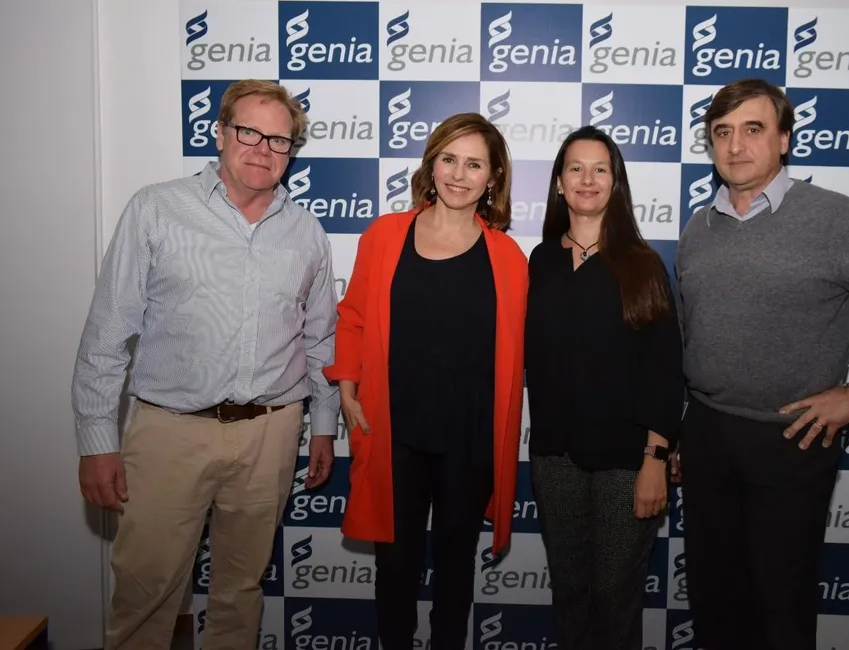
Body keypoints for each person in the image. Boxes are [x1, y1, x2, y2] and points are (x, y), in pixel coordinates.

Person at [674, 77, 849, 650]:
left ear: (784, 140)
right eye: (722, 132)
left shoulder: (835, 219)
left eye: (753, 129)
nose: (735, 146)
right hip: (707, 433)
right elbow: (689, 335)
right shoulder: (699, 227)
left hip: (791, 440)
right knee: (713, 594)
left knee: (780, 600)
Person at [71, 79, 338, 650]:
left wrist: (322, 425)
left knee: (241, 590)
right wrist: (96, 437)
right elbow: (107, 332)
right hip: (170, 432)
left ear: (293, 151)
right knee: (147, 590)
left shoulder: (307, 231)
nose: (264, 149)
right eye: (249, 132)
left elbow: (321, 340)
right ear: (220, 133)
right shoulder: (156, 208)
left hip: (271, 431)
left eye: (280, 140)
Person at [322, 112, 528, 649]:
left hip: (470, 442)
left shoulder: (508, 256)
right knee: (395, 572)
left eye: (475, 163)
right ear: (431, 165)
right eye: (450, 159)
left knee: (456, 575)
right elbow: (353, 317)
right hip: (397, 437)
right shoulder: (386, 234)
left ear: (494, 176)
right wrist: (346, 385)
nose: (460, 174)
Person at [523, 126, 685, 650]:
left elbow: (666, 370)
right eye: (575, 168)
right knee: (570, 593)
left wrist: (656, 458)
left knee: (616, 597)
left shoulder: (643, 264)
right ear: (558, 184)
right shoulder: (540, 262)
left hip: (627, 462)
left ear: (616, 183)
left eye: (600, 169)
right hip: (555, 459)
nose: (587, 179)